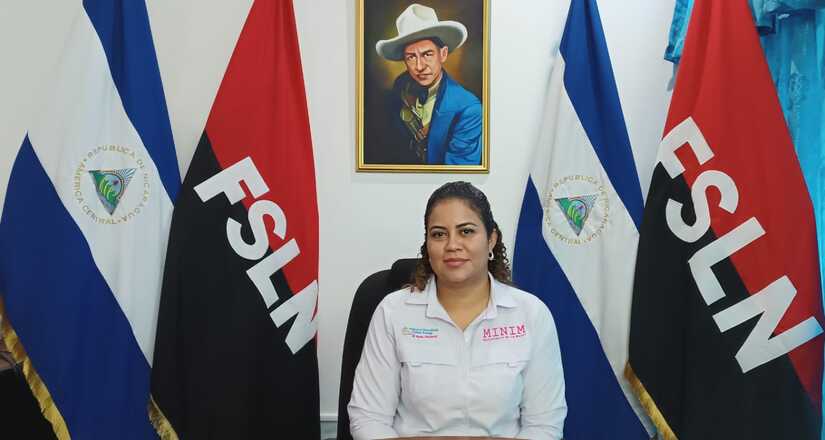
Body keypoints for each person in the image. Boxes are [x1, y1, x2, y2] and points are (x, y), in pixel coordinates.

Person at [348, 182, 566, 439]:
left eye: (466, 231)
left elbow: (544, 426)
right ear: (427, 244)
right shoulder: (393, 312)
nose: (452, 244)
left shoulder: (532, 314)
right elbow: (368, 419)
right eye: (439, 234)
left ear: (491, 239)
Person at [375, 4, 483, 165]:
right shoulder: (399, 88)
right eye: (411, 57)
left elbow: (458, 173)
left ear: (443, 54)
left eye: (427, 54)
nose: (419, 66)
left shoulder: (469, 109)